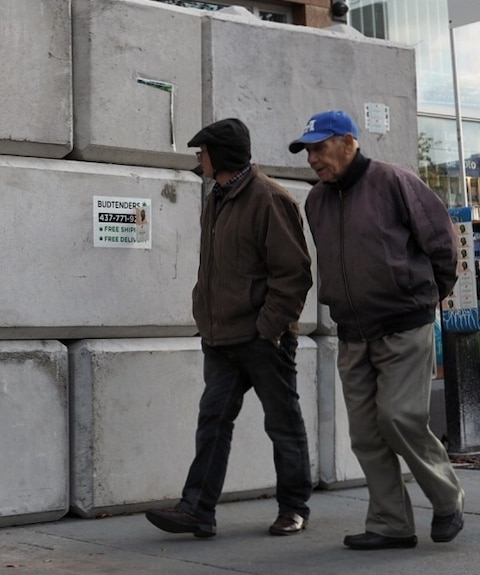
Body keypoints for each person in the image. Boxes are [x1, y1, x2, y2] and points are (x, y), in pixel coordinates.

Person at [289, 110, 465, 550]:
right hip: (352, 332)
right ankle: (391, 524)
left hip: (404, 326)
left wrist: (421, 296)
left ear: (349, 142)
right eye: (308, 150)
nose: (312, 158)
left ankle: (448, 497)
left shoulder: (394, 181)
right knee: (366, 433)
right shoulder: (317, 201)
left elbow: (442, 244)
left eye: (319, 147)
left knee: (399, 417)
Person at [145, 118, 314, 538]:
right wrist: (204, 317)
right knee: (212, 421)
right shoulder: (215, 199)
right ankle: (197, 510)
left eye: (201, 152)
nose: (198, 159)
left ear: (220, 155)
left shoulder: (270, 199)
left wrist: (268, 327)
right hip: (220, 338)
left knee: (283, 424)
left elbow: (293, 274)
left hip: (264, 339)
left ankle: (294, 508)